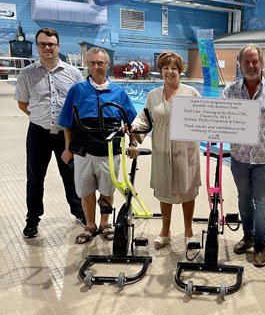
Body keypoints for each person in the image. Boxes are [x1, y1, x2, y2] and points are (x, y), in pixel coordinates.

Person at [57, 47, 138, 244]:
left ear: (107, 65)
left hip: (110, 151)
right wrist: (68, 148)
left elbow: (132, 122)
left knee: (107, 190)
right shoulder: (77, 91)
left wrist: (133, 142)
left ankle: (105, 224)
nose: (96, 66)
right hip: (84, 151)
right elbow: (67, 123)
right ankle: (90, 225)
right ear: (87, 65)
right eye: (92, 62)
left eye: (100, 63)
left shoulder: (118, 92)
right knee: (86, 190)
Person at [15, 28, 85, 238]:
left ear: (58, 46)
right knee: (35, 178)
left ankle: (80, 212)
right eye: (43, 44)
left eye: (51, 44)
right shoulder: (27, 73)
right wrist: (41, 117)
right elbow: (22, 103)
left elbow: (79, 104)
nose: (47, 47)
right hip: (38, 132)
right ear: (37, 46)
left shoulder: (73, 73)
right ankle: (32, 220)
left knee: (71, 175)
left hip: (67, 133)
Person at [127, 52, 202, 250]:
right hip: (162, 152)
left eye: (174, 68)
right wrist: (133, 131)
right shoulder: (153, 96)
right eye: (166, 68)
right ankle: (165, 231)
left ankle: (188, 232)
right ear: (160, 71)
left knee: (188, 193)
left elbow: (204, 119)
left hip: (186, 153)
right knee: (164, 193)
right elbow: (143, 120)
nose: (170, 71)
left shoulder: (191, 93)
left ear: (180, 71)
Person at [223, 44, 265, 267]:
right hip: (239, 157)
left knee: (262, 202)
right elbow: (220, 119)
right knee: (243, 199)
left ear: (262, 63)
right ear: (240, 64)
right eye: (246, 62)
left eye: (255, 61)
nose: (251, 65)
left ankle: (260, 244)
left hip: (263, 159)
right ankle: (248, 236)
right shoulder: (230, 90)